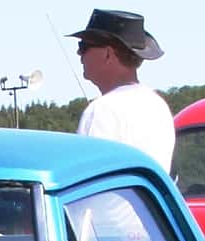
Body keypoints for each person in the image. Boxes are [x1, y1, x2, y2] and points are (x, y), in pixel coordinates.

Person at [68, 9, 173, 168]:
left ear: (108, 54)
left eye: (84, 46)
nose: (78, 53)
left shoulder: (101, 110)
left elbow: (87, 178)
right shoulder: (159, 107)